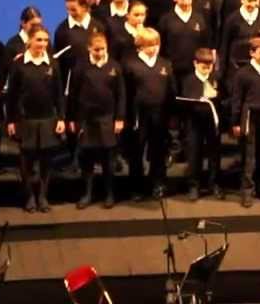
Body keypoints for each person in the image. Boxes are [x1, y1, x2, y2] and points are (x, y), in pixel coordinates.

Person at [6, 26, 65, 212]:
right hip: (26, 119)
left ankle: (42, 196)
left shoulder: (53, 63)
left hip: (48, 118)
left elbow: (59, 94)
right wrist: (11, 120)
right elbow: (12, 95)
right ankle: (29, 196)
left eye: (46, 40)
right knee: (27, 160)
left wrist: (61, 117)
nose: (42, 44)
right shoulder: (19, 64)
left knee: (46, 160)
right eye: (39, 40)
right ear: (29, 41)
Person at [68, 32, 126, 208]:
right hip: (87, 120)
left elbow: (121, 95)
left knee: (108, 160)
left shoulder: (114, 67)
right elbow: (72, 94)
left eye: (103, 49)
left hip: (108, 119)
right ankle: (87, 193)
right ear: (89, 48)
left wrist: (120, 118)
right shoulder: (80, 67)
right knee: (87, 160)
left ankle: (109, 194)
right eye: (96, 49)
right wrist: (71, 118)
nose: (100, 52)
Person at [124, 27, 174, 200]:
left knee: (159, 150)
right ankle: (136, 187)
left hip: (160, 114)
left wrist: (171, 116)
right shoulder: (130, 65)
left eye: (156, 44)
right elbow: (126, 93)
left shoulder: (165, 64)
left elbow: (171, 91)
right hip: (139, 116)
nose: (153, 48)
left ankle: (158, 183)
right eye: (149, 45)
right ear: (140, 46)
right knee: (136, 151)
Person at [230, 37, 260, 207]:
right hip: (249, 117)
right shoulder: (242, 73)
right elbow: (236, 99)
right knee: (249, 155)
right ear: (252, 53)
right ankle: (247, 191)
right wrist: (236, 122)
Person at [179, 48, 222, 201]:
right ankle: (193, 185)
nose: (207, 69)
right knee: (194, 154)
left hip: (212, 123)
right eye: (203, 66)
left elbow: (226, 99)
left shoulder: (217, 77)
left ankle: (213, 183)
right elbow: (183, 102)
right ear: (195, 64)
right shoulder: (188, 80)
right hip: (194, 124)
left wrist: (217, 98)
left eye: (209, 66)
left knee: (214, 155)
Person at [158, 0, 212, 83]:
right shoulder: (165, 20)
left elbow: (205, 44)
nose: (186, 2)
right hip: (173, 72)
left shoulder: (200, 18)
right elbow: (161, 47)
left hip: (194, 73)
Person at [219, 0, 260, 74]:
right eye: (249, 1)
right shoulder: (232, 19)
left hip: (258, 66)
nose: (252, 4)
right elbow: (225, 45)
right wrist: (222, 70)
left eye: (255, 1)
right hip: (235, 67)